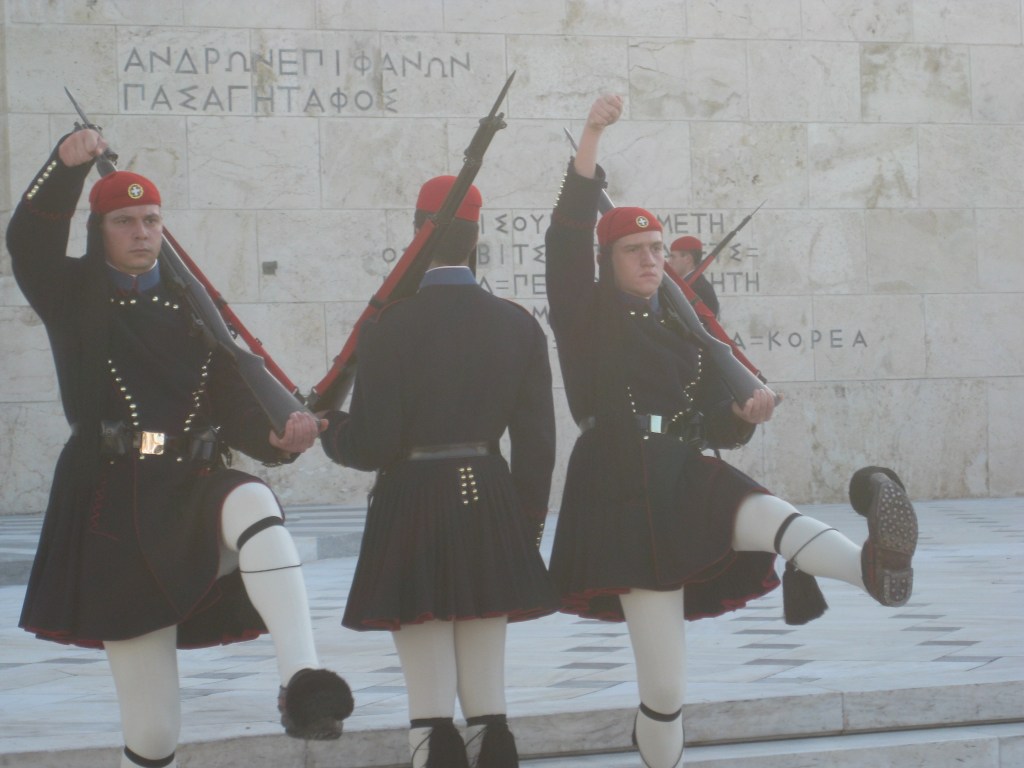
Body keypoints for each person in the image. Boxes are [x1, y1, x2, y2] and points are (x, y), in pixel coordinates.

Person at [544, 94, 918, 768]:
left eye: (659, 249)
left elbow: (714, 416)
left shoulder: (684, 325)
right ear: (609, 259)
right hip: (621, 479)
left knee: (772, 515)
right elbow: (567, 234)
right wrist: (593, 137)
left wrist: (743, 415)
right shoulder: (585, 313)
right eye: (637, 251)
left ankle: (874, 566)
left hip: (685, 465)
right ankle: (659, 748)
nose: (653, 261)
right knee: (664, 687)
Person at [6, 128, 353, 768]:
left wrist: (276, 437)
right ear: (99, 229)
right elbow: (26, 241)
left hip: (194, 487)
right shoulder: (73, 295)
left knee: (254, 501)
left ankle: (305, 684)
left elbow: (234, 399)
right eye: (126, 221)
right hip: (115, 505)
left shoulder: (191, 306)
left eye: (153, 219)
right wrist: (64, 165)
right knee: (155, 733)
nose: (142, 231)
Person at [320, 176, 557, 768]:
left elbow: (373, 444)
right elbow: (538, 446)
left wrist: (330, 429)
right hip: (491, 502)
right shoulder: (519, 324)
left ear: (417, 239)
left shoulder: (389, 327)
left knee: (430, 704)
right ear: (479, 240)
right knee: (488, 702)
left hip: (412, 501)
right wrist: (524, 527)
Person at [666, 236, 719, 319]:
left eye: (673, 257)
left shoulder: (699, 288)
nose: (669, 262)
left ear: (688, 259)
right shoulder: (688, 284)